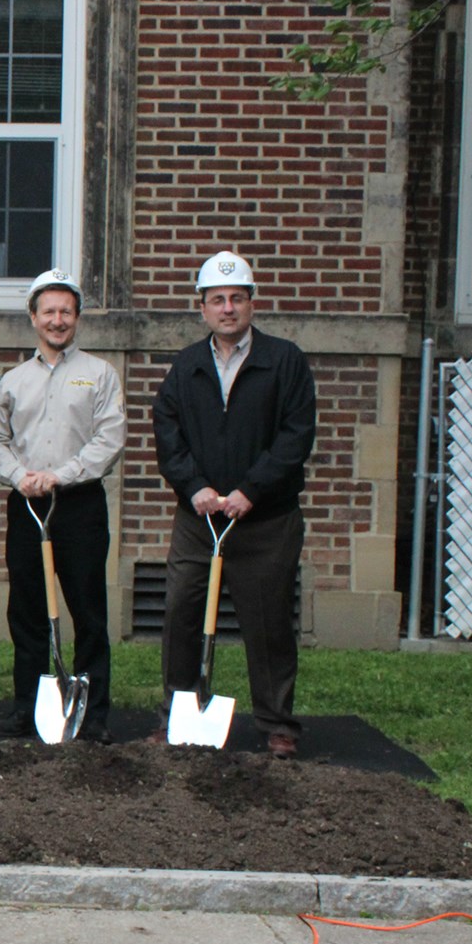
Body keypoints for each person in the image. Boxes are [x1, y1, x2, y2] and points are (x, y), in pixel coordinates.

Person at [154, 250, 317, 758]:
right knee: (182, 613)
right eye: (217, 300)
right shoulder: (187, 366)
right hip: (199, 518)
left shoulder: (283, 360)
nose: (228, 309)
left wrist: (252, 490)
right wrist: (193, 486)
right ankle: (179, 713)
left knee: (267, 623)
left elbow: (296, 436)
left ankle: (276, 723)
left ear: (252, 303)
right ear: (201, 307)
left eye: (237, 299)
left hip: (266, 519)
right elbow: (168, 433)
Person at [0, 269, 126, 743]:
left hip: (78, 506)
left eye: (66, 311)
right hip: (26, 507)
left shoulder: (99, 375)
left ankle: (94, 713)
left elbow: (109, 440)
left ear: (77, 318)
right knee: (26, 611)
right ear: (33, 317)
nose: (58, 320)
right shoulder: (13, 380)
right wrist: (21, 476)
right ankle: (28, 707)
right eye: (49, 311)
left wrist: (59, 476)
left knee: (87, 609)